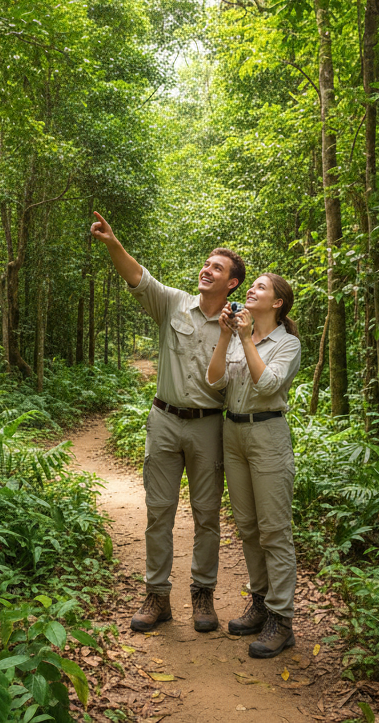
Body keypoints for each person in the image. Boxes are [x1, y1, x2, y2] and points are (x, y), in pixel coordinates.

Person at [90, 210, 244, 633]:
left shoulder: (238, 325)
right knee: (159, 511)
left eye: (217, 267)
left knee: (207, 514)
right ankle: (157, 596)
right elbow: (138, 276)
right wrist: (112, 242)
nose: (206, 269)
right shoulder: (175, 302)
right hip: (164, 420)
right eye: (206, 263)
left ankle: (203, 595)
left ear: (232, 282)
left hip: (209, 426)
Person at [207, 272, 302, 658]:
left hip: (267, 436)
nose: (251, 290)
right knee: (247, 526)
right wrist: (228, 336)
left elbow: (267, 386)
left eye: (261, 287)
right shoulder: (237, 334)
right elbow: (214, 381)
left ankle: (282, 618)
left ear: (277, 302)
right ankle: (261, 603)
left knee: (274, 529)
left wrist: (246, 339)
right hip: (234, 434)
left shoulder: (288, 344)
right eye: (252, 286)